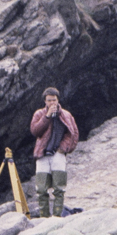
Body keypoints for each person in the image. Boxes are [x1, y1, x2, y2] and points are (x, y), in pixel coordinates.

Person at [28, 86, 80, 218]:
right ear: (45, 101)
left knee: (59, 188)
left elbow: (73, 134)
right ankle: (44, 218)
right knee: (41, 189)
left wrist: (63, 148)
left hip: (58, 155)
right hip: (42, 155)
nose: (52, 103)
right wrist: (47, 116)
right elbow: (35, 131)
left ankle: (57, 217)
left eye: (54, 100)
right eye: (49, 100)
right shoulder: (39, 114)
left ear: (58, 100)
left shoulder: (66, 115)